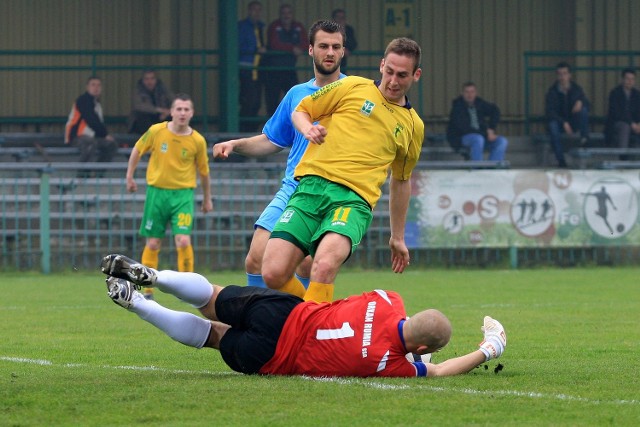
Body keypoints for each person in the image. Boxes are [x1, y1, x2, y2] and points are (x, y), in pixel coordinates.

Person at [100, 253, 508, 378]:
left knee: (211, 296)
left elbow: (401, 334)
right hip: (274, 356)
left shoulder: (388, 299)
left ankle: (154, 275)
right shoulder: (388, 363)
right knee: (212, 335)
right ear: (419, 349)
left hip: (286, 312)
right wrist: (489, 349)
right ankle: (137, 303)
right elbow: (434, 371)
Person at [260, 37, 424, 304]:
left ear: (416, 75)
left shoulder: (413, 126)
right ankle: (317, 319)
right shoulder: (351, 86)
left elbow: (401, 180)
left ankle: (311, 334)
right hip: (310, 188)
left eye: (402, 75)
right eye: (390, 71)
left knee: (323, 267)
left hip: (353, 201)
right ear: (382, 65)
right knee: (272, 273)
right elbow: (302, 110)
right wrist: (308, 128)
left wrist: (397, 237)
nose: (393, 81)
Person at [213, 20, 346, 289]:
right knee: (255, 259)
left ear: (343, 51)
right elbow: (271, 141)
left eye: (335, 47)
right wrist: (235, 144)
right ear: (310, 50)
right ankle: (258, 324)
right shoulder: (296, 94)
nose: (329, 52)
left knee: (307, 264)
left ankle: (305, 324)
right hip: (293, 188)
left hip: (331, 191)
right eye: (323, 46)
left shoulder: (355, 92)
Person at [125, 93, 213, 299]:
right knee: (153, 243)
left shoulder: (197, 141)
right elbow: (137, 150)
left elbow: (204, 172)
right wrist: (129, 176)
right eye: (179, 109)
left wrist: (207, 198)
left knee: (182, 241)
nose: (182, 113)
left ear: (192, 113)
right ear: (171, 112)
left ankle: (189, 288)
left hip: (182, 196)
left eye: (186, 109)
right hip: (157, 194)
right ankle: (147, 290)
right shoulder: (157, 131)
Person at [64, 76, 118, 177]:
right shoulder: (83, 100)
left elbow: (98, 122)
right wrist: (104, 134)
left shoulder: (97, 104)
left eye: (98, 85)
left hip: (92, 136)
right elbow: (91, 119)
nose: (96, 88)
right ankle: (82, 174)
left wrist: (104, 136)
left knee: (111, 145)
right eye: (93, 85)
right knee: (90, 143)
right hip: (77, 136)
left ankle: (98, 173)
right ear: (87, 87)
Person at [262, 3, 307, 116]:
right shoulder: (274, 26)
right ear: (280, 15)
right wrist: (292, 48)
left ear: (292, 15)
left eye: (289, 13)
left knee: (295, 98)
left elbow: (306, 43)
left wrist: (300, 48)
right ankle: (271, 131)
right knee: (272, 100)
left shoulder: (298, 26)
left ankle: (294, 127)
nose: (286, 16)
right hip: (273, 70)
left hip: (289, 69)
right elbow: (274, 44)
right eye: (284, 13)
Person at [446, 82, 508, 161]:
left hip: (482, 136)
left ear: (476, 93)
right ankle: (477, 168)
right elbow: (464, 129)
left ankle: (493, 168)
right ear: (462, 93)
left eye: (472, 92)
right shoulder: (457, 107)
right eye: (467, 92)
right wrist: (486, 133)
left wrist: (491, 128)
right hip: (461, 138)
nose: (470, 95)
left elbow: (495, 110)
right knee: (478, 139)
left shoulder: (479, 103)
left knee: (502, 141)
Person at [544, 61, 590, 168]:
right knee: (552, 126)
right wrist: (563, 122)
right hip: (560, 124)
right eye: (560, 74)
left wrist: (581, 102)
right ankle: (561, 160)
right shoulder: (552, 92)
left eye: (565, 73)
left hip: (574, 122)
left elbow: (588, 104)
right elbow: (550, 112)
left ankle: (584, 141)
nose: (562, 77)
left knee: (583, 110)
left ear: (570, 75)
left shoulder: (577, 89)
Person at [237, 1, 267, 132]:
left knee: (256, 101)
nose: (257, 13)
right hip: (246, 67)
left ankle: (251, 131)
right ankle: (243, 130)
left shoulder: (261, 27)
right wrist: (256, 49)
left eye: (259, 10)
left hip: (259, 68)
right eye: (254, 10)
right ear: (249, 11)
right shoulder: (242, 26)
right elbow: (238, 45)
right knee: (248, 100)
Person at [128, 69, 175, 135]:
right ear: (143, 80)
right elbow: (139, 106)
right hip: (144, 122)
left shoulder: (163, 89)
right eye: (146, 79)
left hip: (161, 118)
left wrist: (168, 112)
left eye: (152, 78)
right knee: (142, 116)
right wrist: (159, 110)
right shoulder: (138, 91)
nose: (149, 81)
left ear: (156, 80)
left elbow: (175, 101)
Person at [605, 68, 640, 156]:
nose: (630, 81)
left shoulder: (637, 94)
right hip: (617, 124)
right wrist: (631, 123)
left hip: (634, 124)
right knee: (624, 127)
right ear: (622, 79)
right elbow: (617, 113)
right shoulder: (615, 93)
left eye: (632, 79)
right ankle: (622, 156)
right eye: (627, 79)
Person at [331, 9, 357, 74]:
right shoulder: (327, 29)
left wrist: (343, 33)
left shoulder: (349, 29)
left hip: (343, 60)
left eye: (342, 18)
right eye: (338, 17)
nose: (340, 20)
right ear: (333, 19)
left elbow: (353, 44)